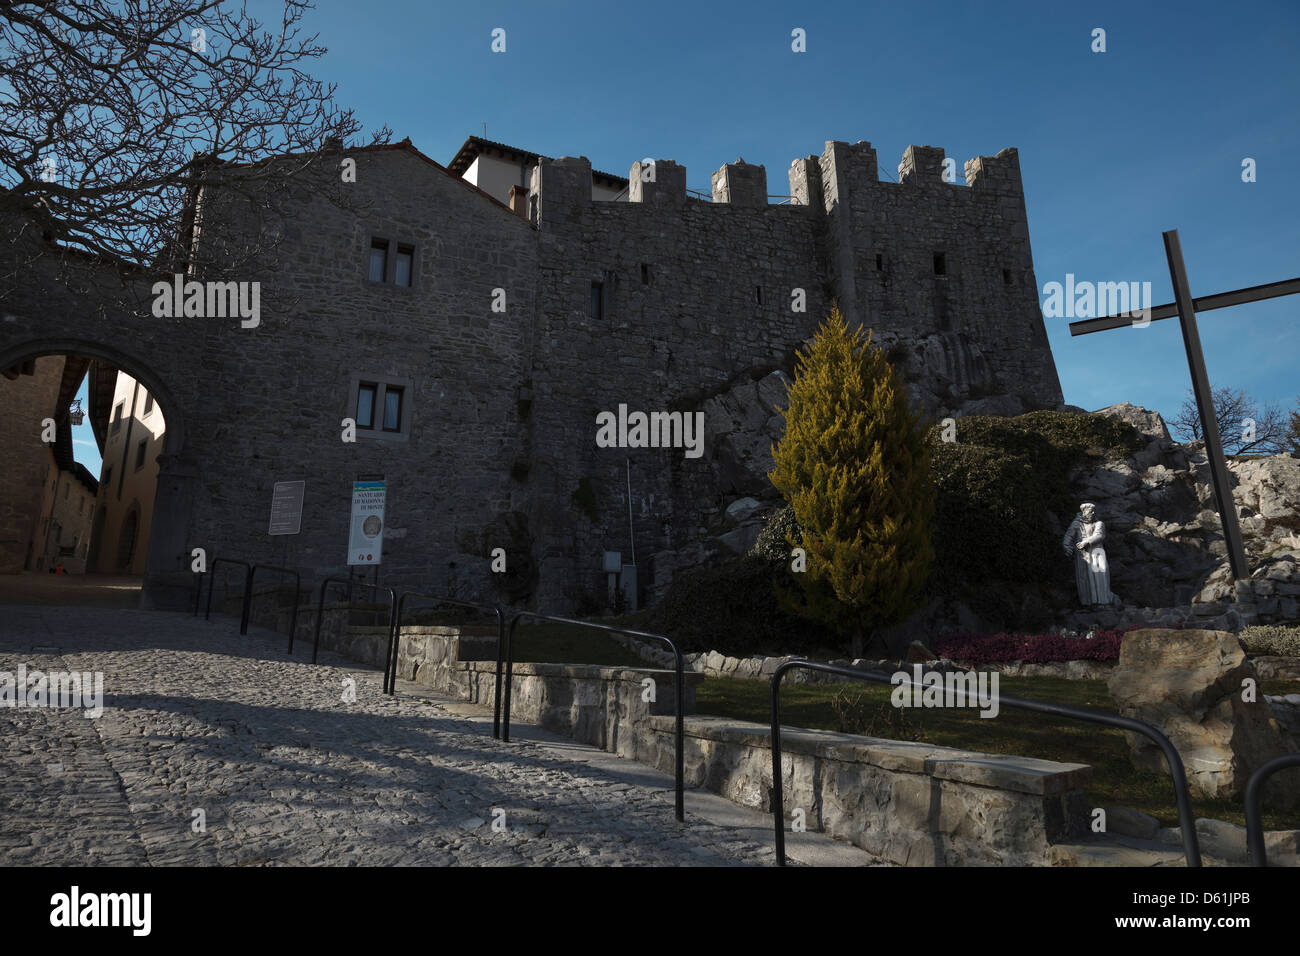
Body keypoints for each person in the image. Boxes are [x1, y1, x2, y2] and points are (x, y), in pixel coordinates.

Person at [1062, 502, 1117, 607]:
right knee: (1084, 577)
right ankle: (1088, 602)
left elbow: (1099, 535)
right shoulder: (1076, 523)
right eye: (1090, 511)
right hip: (1083, 555)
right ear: (1084, 512)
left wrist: (1085, 542)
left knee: (1101, 575)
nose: (1093, 513)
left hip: (1097, 552)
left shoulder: (1099, 523)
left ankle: (1103, 600)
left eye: (1093, 511)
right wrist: (1066, 546)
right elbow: (1068, 536)